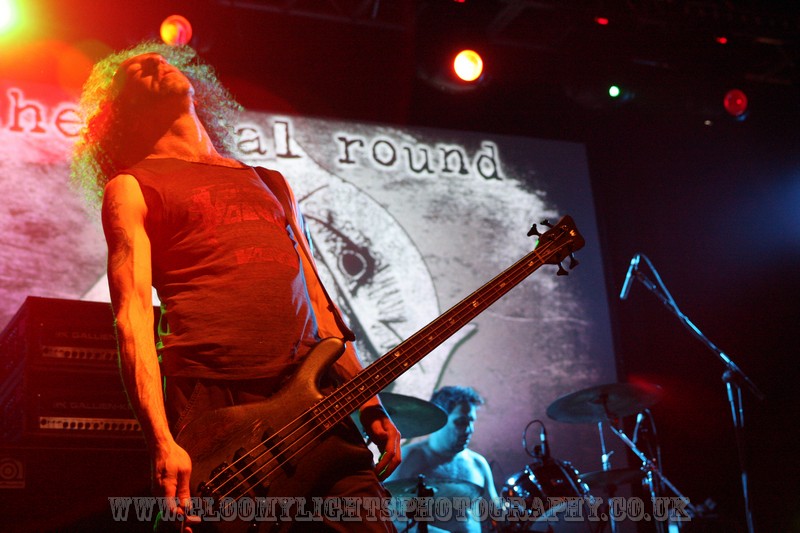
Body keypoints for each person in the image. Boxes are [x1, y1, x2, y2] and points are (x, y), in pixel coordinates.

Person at [70, 41, 401, 531]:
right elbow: (132, 317)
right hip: (217, 405)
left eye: (159, 60)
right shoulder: (132, 186)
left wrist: (369, 402)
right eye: (135, 72)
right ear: (125, 113)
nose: (153, 63)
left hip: (312, 396)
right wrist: (160, 439)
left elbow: (319, 303)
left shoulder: (271, 182)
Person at [386, 386, 499, 533]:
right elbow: (387, 518)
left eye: (471, 421)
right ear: (439, 420)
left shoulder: (478, 463)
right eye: (461, 422)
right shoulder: (407, 458)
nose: (469, 430)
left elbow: (495, 512)